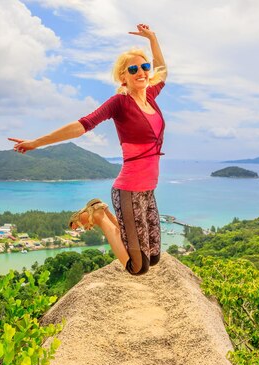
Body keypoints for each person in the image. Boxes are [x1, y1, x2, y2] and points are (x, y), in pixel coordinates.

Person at [9, 23, 167, 275]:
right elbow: (82, 125)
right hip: (128, 190)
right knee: (138, 267)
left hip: (148, 190)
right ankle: (101, 216)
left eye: (144, 67)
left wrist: (152, 38)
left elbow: (163, 69)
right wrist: (36, 142)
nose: (142, 72)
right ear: (123, 77)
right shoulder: (120, 103)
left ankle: (99, 208)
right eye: (134, 69)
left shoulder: (151, 97)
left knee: (155, 257)